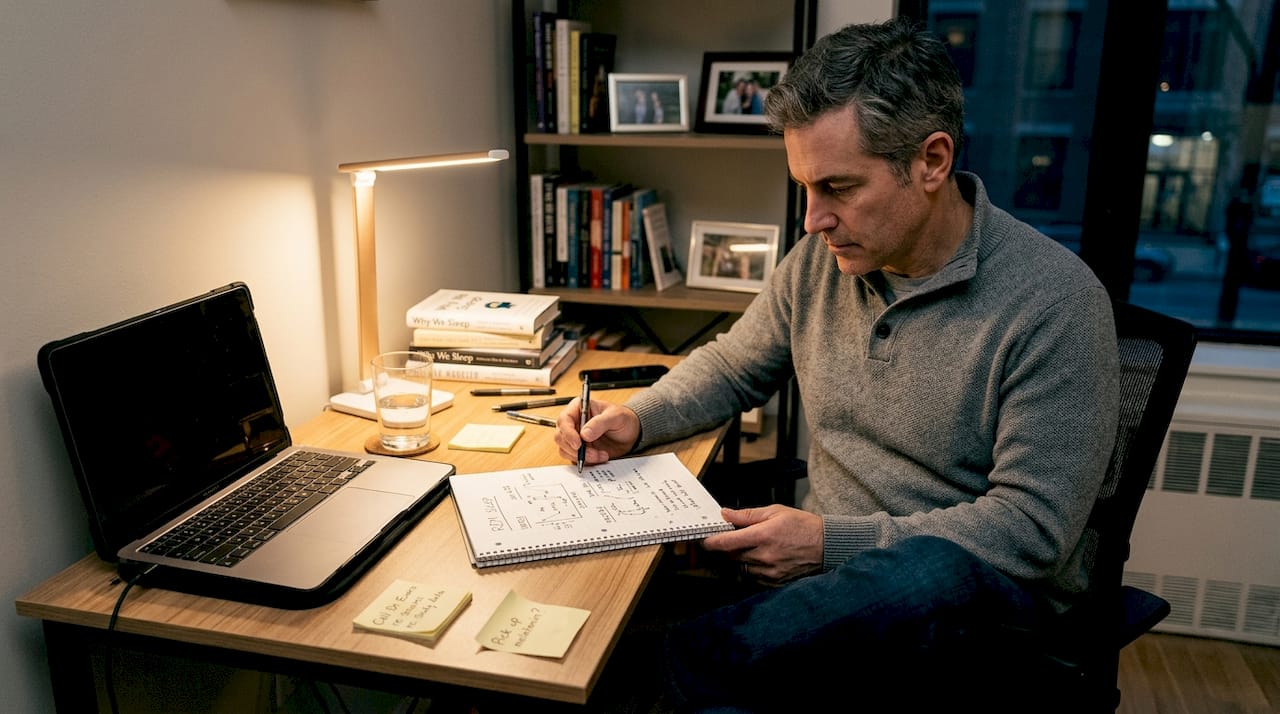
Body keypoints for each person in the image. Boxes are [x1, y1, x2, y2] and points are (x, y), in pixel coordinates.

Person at [556, 16, 1119, 713]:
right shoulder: (821, 266)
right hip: (830, 593)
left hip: (986, 611)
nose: (811, 220)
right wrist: (634, 419)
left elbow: (1029, 531)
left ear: (932, 162)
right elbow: (734, 365)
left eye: (839, 188)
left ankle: (646, 679)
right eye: (804, 188)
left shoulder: (1056, 303)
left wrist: (830, 544)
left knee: (928, 572)